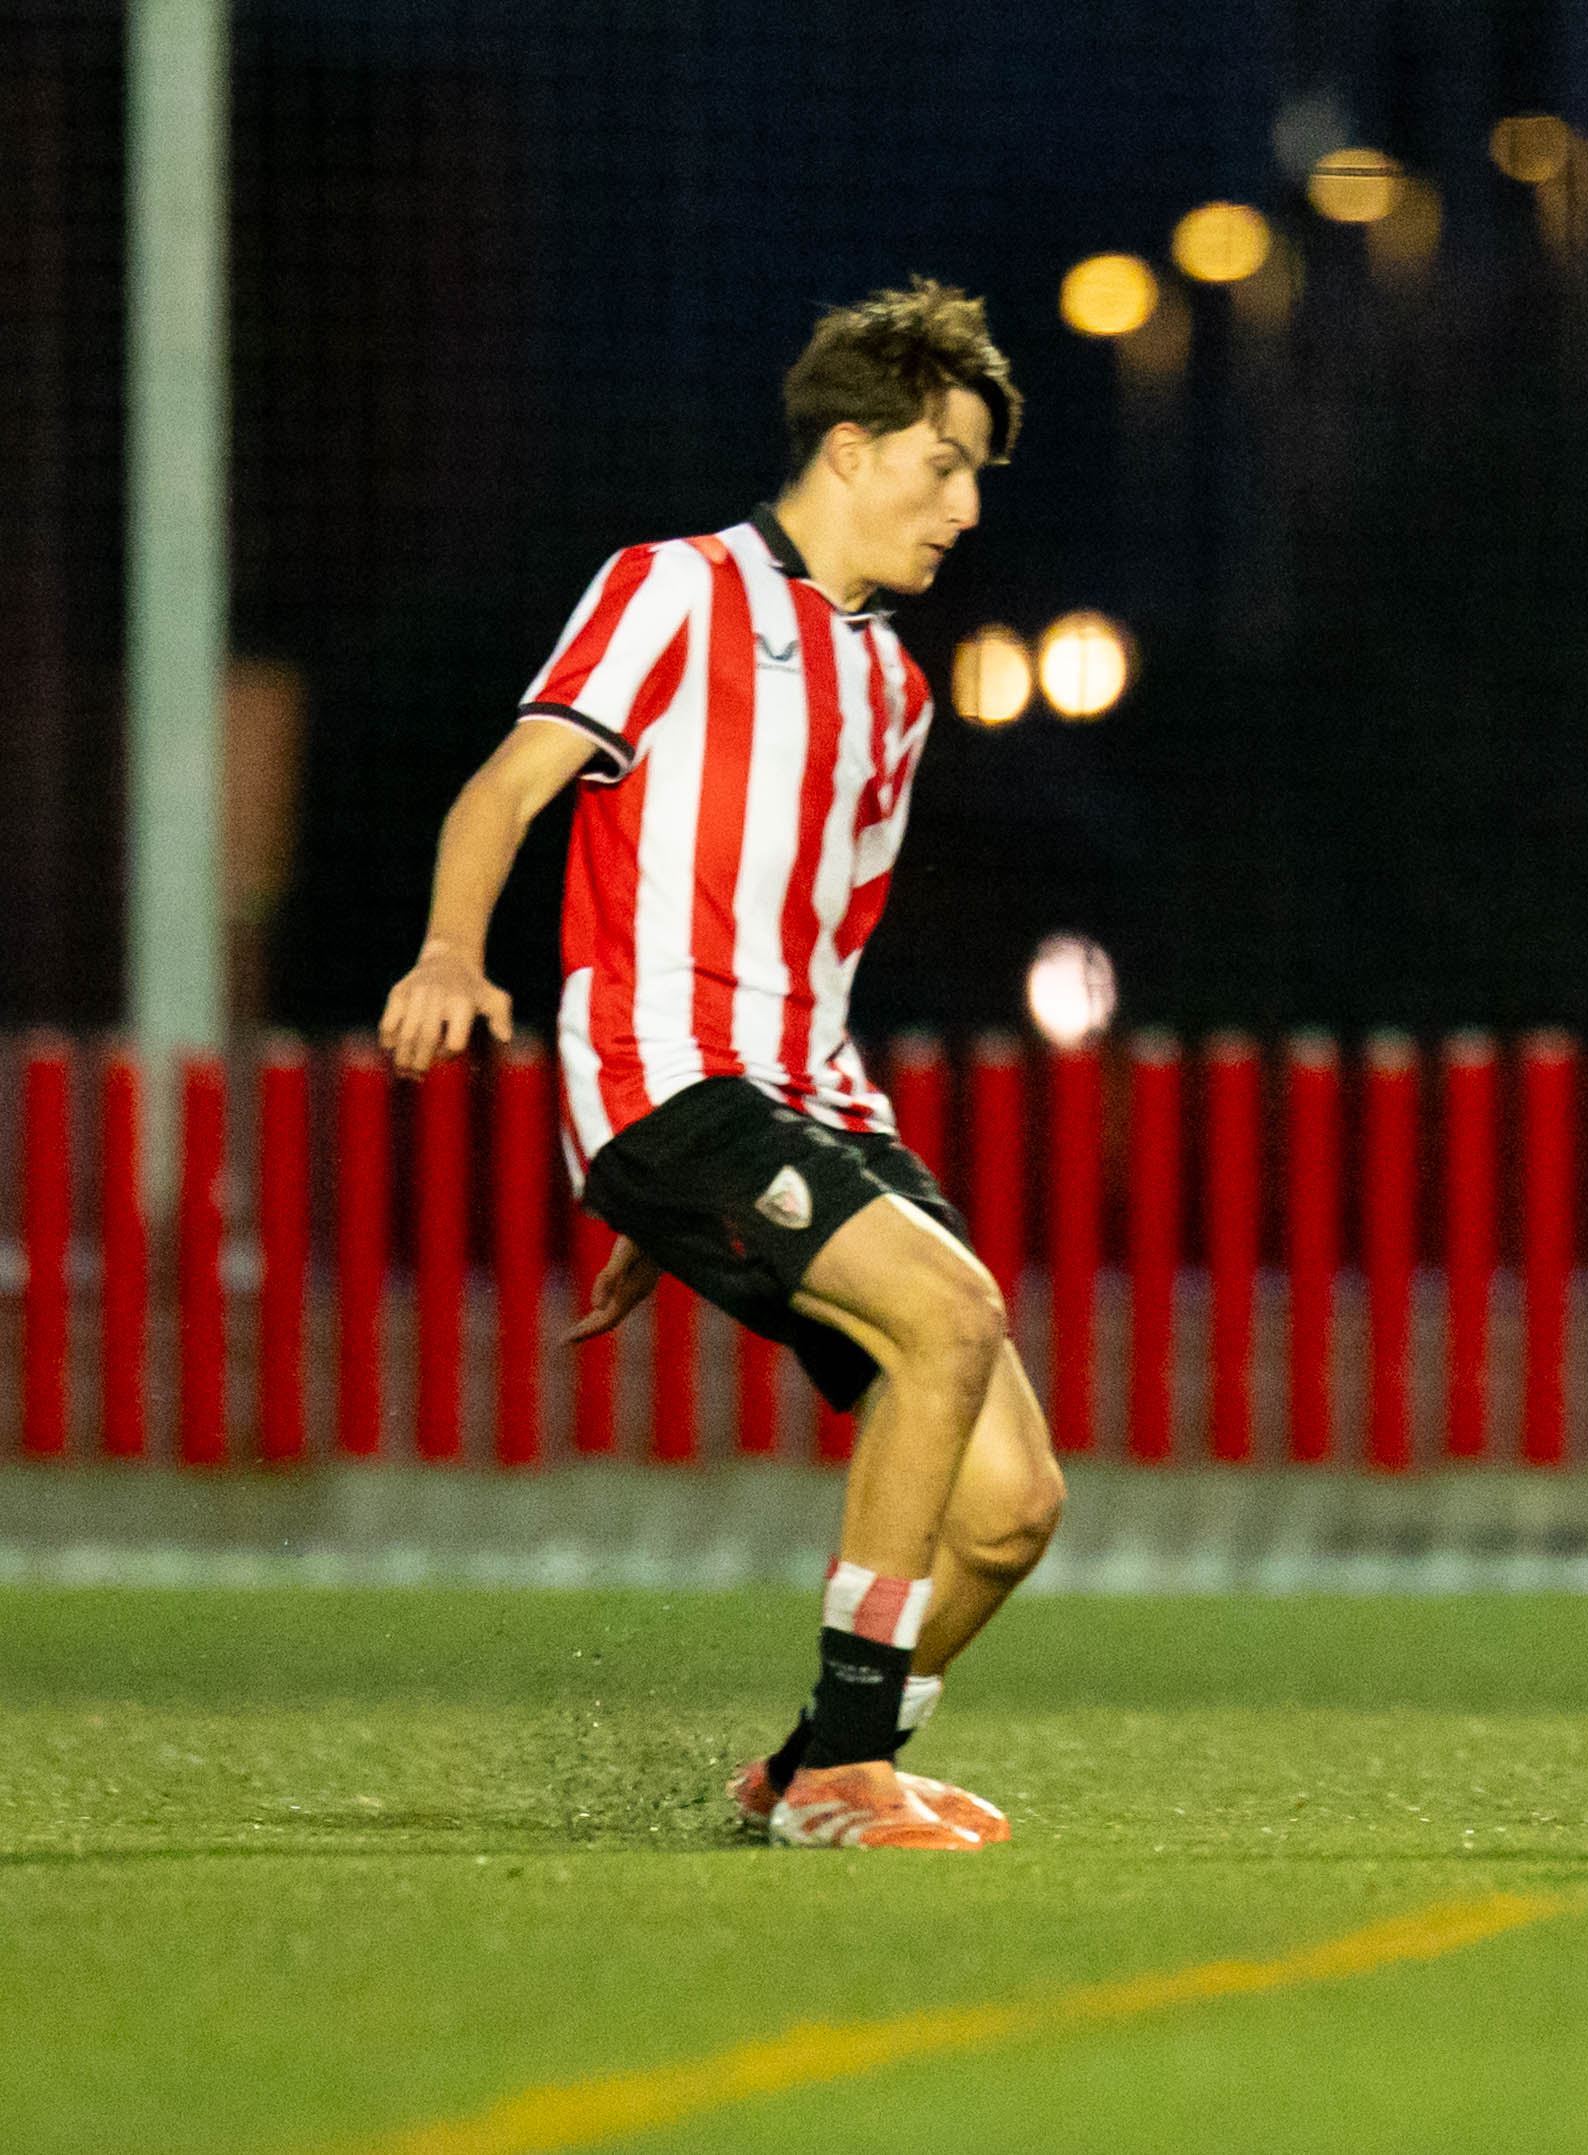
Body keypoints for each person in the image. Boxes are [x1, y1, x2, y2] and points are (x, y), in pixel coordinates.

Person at [378, 279, 1060, 1852]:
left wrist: (673, 1213)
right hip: (663, 1073)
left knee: (1014, 1509)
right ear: (847, 446)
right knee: (953, 1315)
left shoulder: (893, 687)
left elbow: (818, 951)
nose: (964, 509)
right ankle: (844, 1784)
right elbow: (507, 786)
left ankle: (801, 1769)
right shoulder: (670, 589)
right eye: (943, 465)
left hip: (802, 1100)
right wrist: (447, 955)